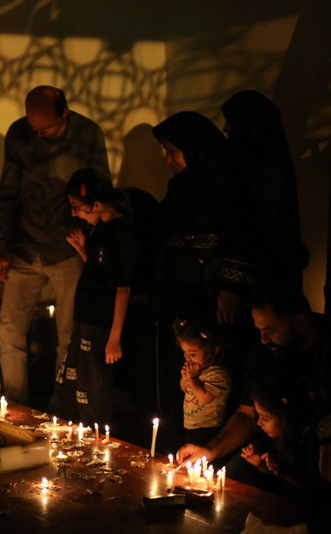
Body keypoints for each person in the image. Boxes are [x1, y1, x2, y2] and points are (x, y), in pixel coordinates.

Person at [0, 86, 109, 406]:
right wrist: (3, 247)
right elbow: (8, 192)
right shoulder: (19, 133)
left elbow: (101, 193)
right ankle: (14, 404)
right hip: (24, 245)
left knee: (69, 335)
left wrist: (89, 244)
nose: (39, 134)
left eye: (46, 128)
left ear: (65, 114)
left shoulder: (88, 134)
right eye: (34, 127)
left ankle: (63, 406)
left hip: (67, 247)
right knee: (9, 330)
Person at [151, 111, 260, 443]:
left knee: (215, 365)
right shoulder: (182, 186)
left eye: (173, 151)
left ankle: (216, 442)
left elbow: (242, 237)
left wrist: (230, 287)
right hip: (183, 292)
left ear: (195, 148)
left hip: (211, 296)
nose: (169, 160)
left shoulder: (228, 183)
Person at [177, 284, 327, 498]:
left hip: (317, 446)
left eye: (271, 330)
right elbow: (247, 414)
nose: (263, 339)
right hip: (275, 441)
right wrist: (211, 451)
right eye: (259, 331)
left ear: (301, 322)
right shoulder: (263, 354)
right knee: (232, 478)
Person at [53, 168, 136, 424]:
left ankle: (95, 432)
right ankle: (68, 424)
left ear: (96, 204)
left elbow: (122, 289)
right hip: (86, 317)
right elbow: (101, 272)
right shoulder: (100, 229)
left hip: (100, 323)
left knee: (93, 384)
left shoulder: (119, 233)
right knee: (73, 376)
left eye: (77, 207)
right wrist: (83, 249)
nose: (74, 213)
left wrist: (115, 338)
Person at [221, 90, 308, 288]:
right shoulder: (271, 167)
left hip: (259, 282)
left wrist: (231, 284)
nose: (225, 129)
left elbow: (247, 225)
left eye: (230, 121)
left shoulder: (261, 173)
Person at [242, 379, 310, 495]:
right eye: (258, 415)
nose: (259, 422)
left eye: (265, 418)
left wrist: (284, 471)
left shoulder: (309, 440)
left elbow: (316, 488)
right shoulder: (279, 437)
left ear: (286, 417)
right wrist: (262, 464)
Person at [174, 318, 231, 447]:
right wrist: (185, 378)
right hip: (190, 425)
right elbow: (185, 389)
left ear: (214, 350)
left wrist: (193, 378)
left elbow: (205, 398)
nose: (187, 357)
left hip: (209, 428)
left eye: (192, 354)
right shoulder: (194, 369)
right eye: (184, 352)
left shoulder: (217, 374)